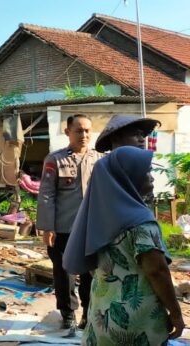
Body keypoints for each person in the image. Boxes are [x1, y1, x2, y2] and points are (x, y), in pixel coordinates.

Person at [64, 147, 184, 344]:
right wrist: (176, 314)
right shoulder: (141, 223)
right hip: (138, 322)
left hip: (102, 316)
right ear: (128, 177)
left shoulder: (99, 218)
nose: (152, 178)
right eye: (146, 172)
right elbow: (156, 270)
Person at [37, 114, 104, 330]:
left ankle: (88, 313)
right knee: (63, 272)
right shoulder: (55, 159)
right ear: (67, 132)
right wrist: (47, 227)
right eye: (78, 130)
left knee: (90, 274)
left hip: (91, 228)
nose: (83, 135)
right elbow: (47, 194)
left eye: (87, 131)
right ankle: (67, 313)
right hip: (63, 229)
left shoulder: (100, 160)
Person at [95, 114, 160, 153]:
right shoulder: (104, 166)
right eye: (135, 134)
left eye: (142, 135)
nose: (142, 139)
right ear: (115, 138)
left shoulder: (139, 165)